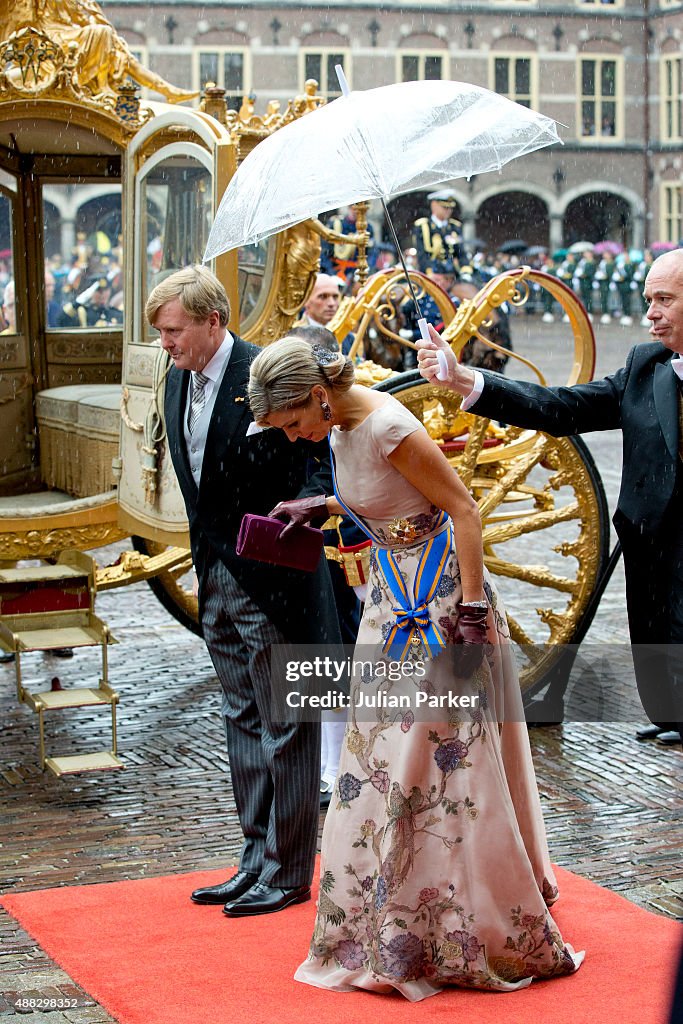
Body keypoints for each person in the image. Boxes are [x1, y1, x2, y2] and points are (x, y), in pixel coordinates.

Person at [248, 337, 583, 998]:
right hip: (387, 606)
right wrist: (326, 507)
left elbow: (461, 510)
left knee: (444, 767)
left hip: (437, 608)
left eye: (291, 424)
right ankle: (395, 911)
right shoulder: (340, 428)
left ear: (316, 394)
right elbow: (393, 505)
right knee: (380, 768)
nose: (292, 439)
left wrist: (473, 610)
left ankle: (458, 922)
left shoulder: (390, 427)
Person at [417, 247, 683, 749]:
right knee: (656, 630)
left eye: (664, 299)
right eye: (648, 299)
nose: (650, 313)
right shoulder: (647, 366)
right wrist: (463, 379)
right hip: (652, 536)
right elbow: (564, 408)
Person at [146, 266, 342, 917]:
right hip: (215, 578)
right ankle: (255, 858)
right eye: (161, 334)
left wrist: (319, 498)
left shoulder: (269, 372)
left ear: (212, 321)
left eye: (174, 331)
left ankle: (288, 874)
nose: (166, 344)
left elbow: (322, 446)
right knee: (242, 719)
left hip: (275, 579)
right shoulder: (175, 379)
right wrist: (208, 574)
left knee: (287, 727)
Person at [296, 273, 354, 354]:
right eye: (323, 296)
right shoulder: (294, 336)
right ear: (306, 300)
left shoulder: (348, 338)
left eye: (335, 297)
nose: (331, 303)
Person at [412, 189, 466, 274]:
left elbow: (461, 253)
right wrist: (429, 271)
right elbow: (422, 255)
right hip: (431, 273)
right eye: (445, 207)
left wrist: (465, 269)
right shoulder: (423, 226)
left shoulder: (455, 227)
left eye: (450, 208)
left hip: (452, 273)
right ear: (434, 205)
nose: (448, 210)